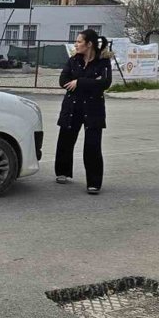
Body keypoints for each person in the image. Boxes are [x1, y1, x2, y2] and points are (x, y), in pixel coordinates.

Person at [54, 29, 112, 195]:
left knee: (92, 145)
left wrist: (79, 81)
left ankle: (94, 182)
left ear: (89, 44)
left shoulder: (103, 62)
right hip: (72, 106)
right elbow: (63, 81)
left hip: (93, 108)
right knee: (66, 139)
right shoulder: (73, 60)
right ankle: (62, 171)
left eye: (79, 41)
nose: (76, 44)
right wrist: (92, 82)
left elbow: (105, 83)